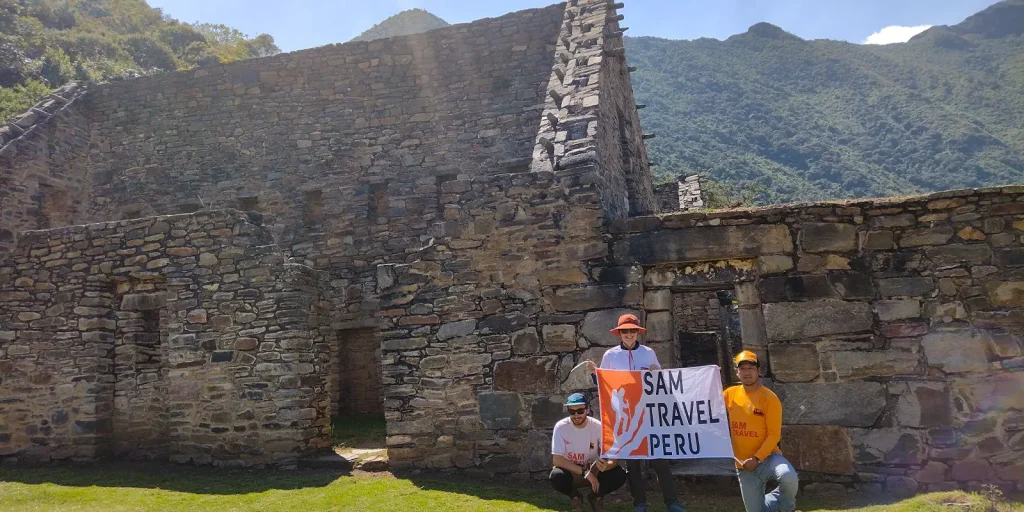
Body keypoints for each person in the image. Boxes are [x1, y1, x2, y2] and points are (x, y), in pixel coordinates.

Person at [584, 314, 687, 512]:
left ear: (637, 332)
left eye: (632, 330)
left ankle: (672, 503)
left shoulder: (648, 353)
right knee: (633, 464)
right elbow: (604, 387)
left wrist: (657, 375)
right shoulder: (610, 356)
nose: (629, 334)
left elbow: (658, 385)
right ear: (619, 334)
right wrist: (594, 373)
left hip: (648, 415)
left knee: (660, 462)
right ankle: (639, 504)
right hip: (625, 417)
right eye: (625, 331)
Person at [723, 350, 799, 512]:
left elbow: (774, 435)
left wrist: (757, 459)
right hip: (743, 466)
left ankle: (786, 507)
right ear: (737, 372)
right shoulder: (729, 394)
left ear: (758, 371)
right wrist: (712, 378)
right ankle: (764, 503)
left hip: (768, 458)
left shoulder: (769, 398)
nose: (747, 372)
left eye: (750, 368)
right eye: (742, 369)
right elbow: (708, 405)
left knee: (788, 476)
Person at [550, 392, 627, 512]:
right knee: (556, 476)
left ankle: (596, 497)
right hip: (572, 471)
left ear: (587, 409)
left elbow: (614, 456)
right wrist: (585, 473)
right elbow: (557, 460)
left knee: (619, 474)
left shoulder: (598, 427)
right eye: (572, 412)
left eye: (580, 411)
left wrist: (608, 465)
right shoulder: (561, 427)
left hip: (594, 470)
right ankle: (576, 497)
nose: (576, 415)